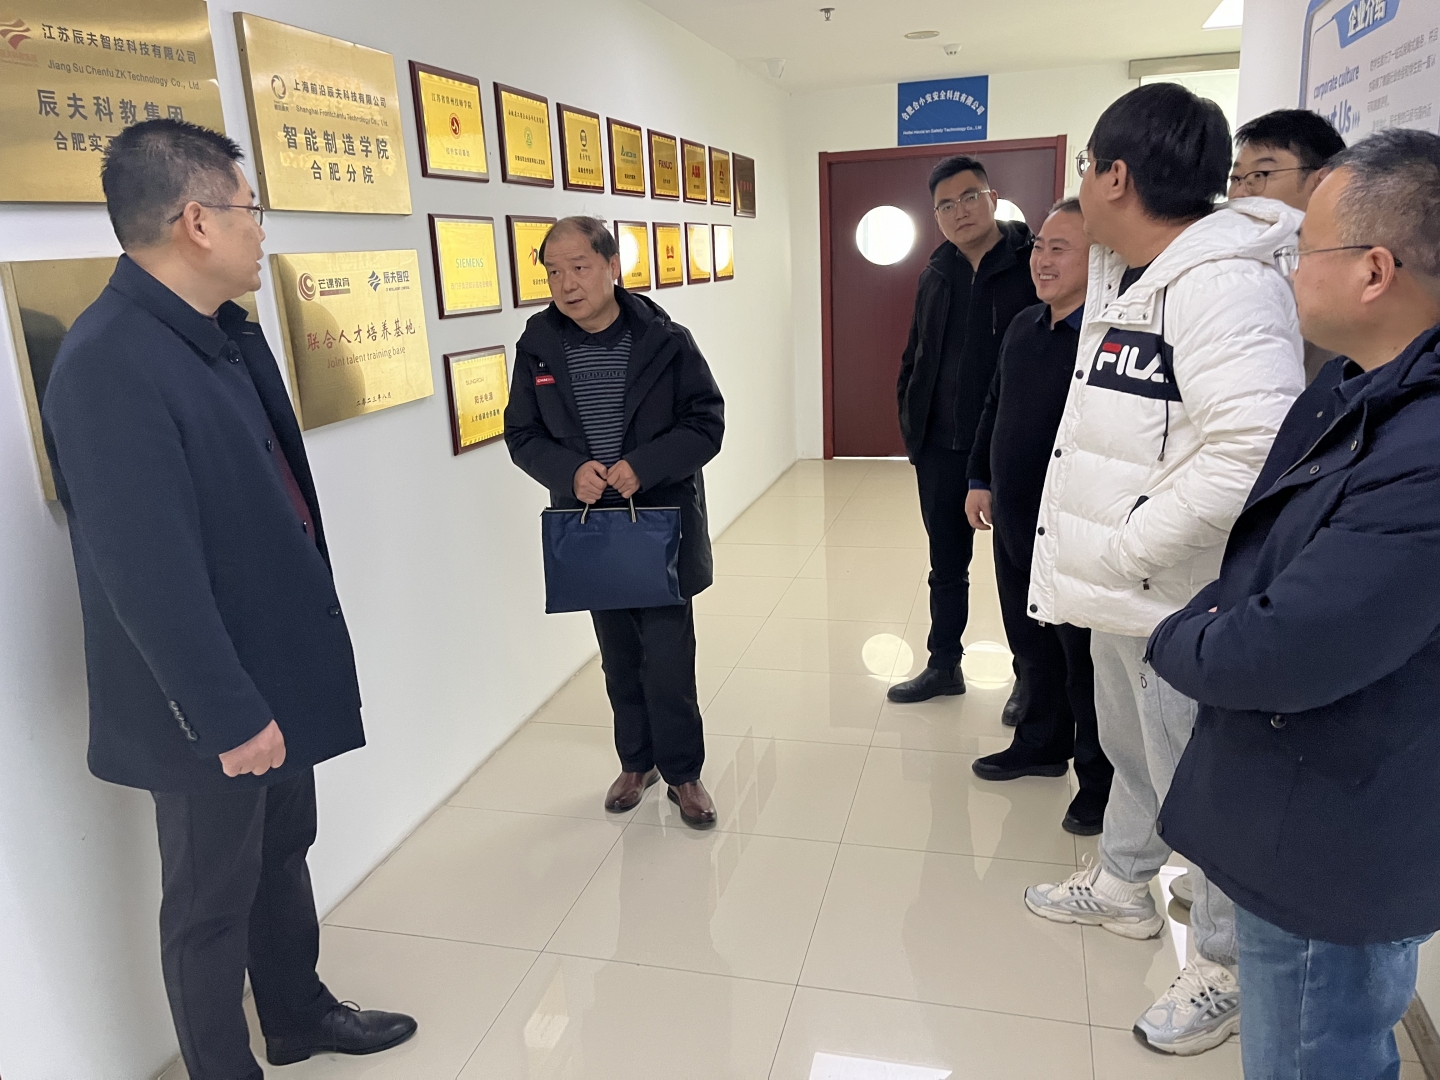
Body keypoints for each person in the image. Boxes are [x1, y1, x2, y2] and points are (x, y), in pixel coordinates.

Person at [39, 119, 415, 1079]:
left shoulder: (222, 336)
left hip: (272, 662)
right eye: (250, 208)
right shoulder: (108, 360)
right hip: (207, 701)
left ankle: (294, 1014)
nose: (260, 228)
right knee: (208, 902)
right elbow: (143, 570)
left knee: (284, 850)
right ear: (196, 221)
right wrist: (228, 715)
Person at [1019, 84, 1305, 1056]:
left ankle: (1225, 964)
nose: (1077, 187)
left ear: (1116, 176)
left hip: (1178, 595)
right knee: (1131, 749)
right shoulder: (1132, 274)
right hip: (1122, 594)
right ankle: (1124, 883)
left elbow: (1252, 450)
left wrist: (1131, 546)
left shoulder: (1222, 284)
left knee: (1204, 786)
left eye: (1085, 166)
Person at [1149, 128, 1440, 1080]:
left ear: (1374, 271)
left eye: (1303, 249)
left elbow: (1289, 646)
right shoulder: (1356, 388)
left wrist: (1172, 635)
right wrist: (1217, 616)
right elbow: (1270, 565)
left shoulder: (1425, 446)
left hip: (1338, 832)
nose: (1286, 271)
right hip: (1303, 804)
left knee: (1315, 1052)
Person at [505, 216, 725, 828]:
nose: (566, 283)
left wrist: (644, 466)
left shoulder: (665, 339)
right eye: (553, 272)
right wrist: (569, 470)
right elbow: (521, 433)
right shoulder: (538, 344)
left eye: (579, 267)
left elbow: (706, 422)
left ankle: (683, 773)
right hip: (591, 529)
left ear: (610, 266)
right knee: (618, 656)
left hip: (658, 523)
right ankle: (636, 762)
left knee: (669, 658)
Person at [964, 199, 1113, 836]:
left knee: (1083, 660)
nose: (1042, 260)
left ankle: (1100, 784)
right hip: (1016, 518)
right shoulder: (1026, 326)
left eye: (1061, 248)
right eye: (1039, 246)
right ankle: (1040, 745)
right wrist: (979, 477)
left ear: (1100, 259)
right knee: (1030, 643)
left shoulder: (1107, 339)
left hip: (1076, 528)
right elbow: (994, 406)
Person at [890, 154, 1039, 707]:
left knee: (1019, 568)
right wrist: (913, 426)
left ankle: (1030, 677)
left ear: (992, 198)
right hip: (941, 448)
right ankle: (943, 665)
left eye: (969, 197)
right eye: (946, 205)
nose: (959, 211)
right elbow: (916, 353)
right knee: (946, 566)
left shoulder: (1031, 264)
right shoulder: (936, 273)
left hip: (1010, 448)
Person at [1231, 108, 1347, 384]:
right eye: (1236, 179)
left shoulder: (1350, 269)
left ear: (1322, 182)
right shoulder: (1227, 261)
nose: (1241, 192)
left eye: (1260, 174)